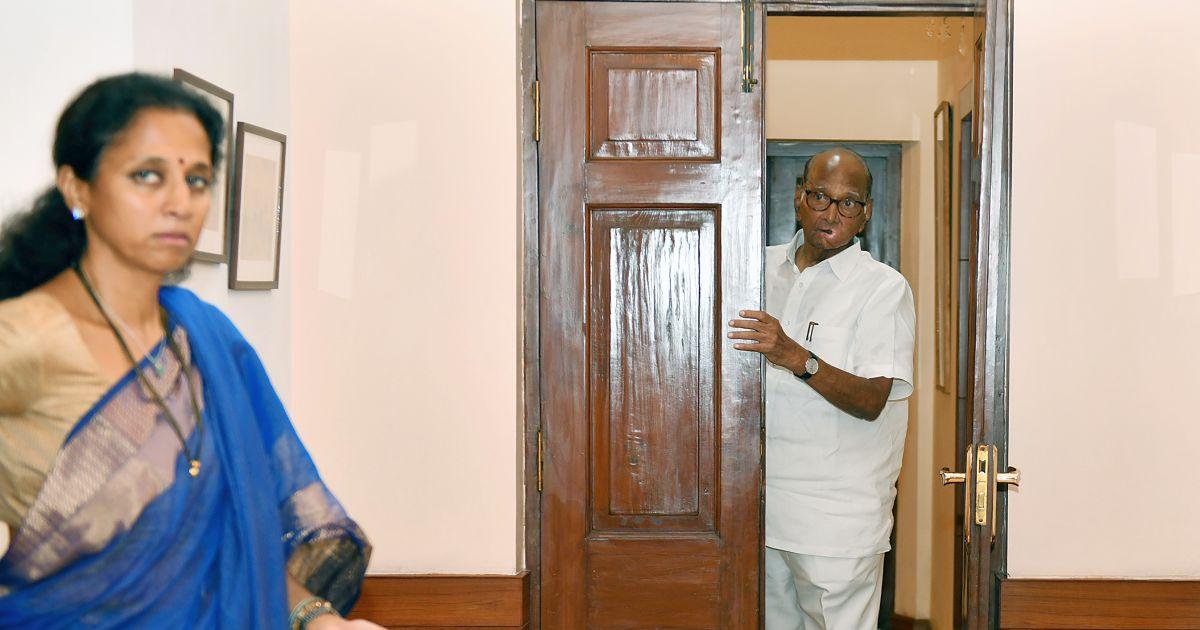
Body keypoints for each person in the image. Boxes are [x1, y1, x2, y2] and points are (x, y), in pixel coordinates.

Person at [0, 73, 380, 629]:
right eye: (147, 176)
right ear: (77, 189)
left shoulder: (203, 340)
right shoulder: (24, 336)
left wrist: (320, 620)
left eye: (197, 180)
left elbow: (239, 538)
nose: (180, 203)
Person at [729, 148, 916, 629]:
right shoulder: (752, 266)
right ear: (799, 197)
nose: (832, 214)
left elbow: (872, 399)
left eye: (848, 203)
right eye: (820, 197)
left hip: (838, 524)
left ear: (866, 213)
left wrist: (798, 357)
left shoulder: (883, 288)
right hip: (759, 511)